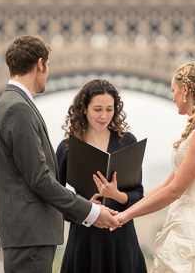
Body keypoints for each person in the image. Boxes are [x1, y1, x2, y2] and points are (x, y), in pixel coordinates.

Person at [0, 35, 120, 273]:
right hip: (31, 235)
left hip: (27, 234)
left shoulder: (8, 103)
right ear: (40, 64)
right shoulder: (18, 108)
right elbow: (40, 178)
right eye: (48, 67)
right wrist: (90, 212)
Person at [114, 62, 195, 273]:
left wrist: (126, 216)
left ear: (185, 90)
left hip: (192, 231)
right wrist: (127, 211)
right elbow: (167, 184)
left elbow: (175, 191)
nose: (172, 96)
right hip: (187, 224)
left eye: (173, 90)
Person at [55, 79, 147, 273]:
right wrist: (83, 206)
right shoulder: (67, 148)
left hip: (121, 238)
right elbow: (55, 199)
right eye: (97, 109)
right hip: (84, 239)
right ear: (84, 109)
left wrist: (116, 194)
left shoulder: (128, 142)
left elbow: (138, 195)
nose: (104, 115)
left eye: (109, 109)